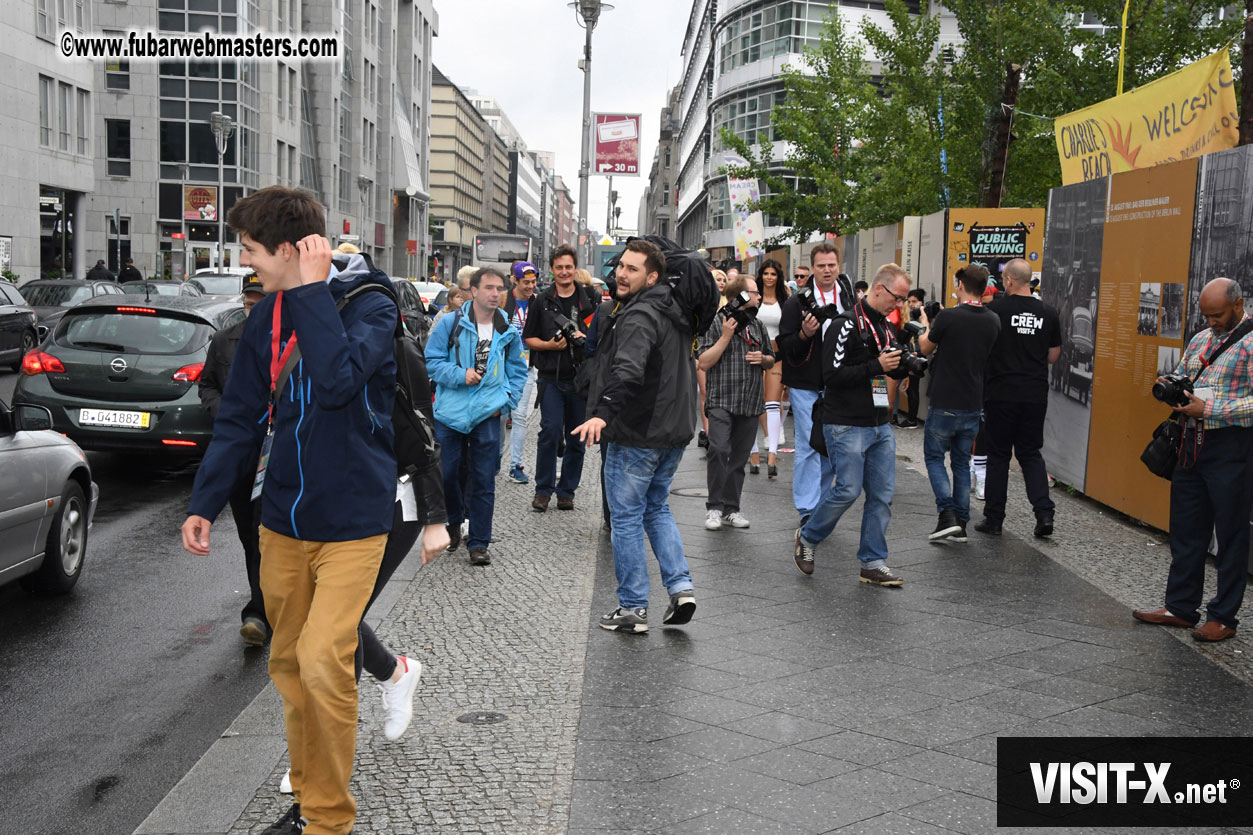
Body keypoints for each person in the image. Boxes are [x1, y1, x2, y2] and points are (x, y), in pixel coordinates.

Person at [181, 185, 399, 835]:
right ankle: (306, 799)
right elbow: (239, 418)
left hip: (352, 521)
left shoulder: (371, 305)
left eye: (251, 250)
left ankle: (328, 820)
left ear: (288, 250)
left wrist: (309, 292)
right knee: (288, 663)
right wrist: (205, 501)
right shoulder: (263, 320)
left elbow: (336, 382)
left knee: (324, 661)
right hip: (280, 520)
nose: (245, 262)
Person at [573, 239, 697, 634]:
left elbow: (628, 370)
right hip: (673, 429)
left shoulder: (640, 314)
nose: (622, 274)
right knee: (656, 508)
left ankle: (633, 607)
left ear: (653, 276)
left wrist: (602, 414)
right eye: (621, 266)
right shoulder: (675, 309)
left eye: (633, 269)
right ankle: (681, 588)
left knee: (625, 518)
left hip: (639, 431)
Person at [1134, 277, 1253, 643]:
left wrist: (1211, 409)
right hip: (1190, 442)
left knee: (1231, 534)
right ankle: (1181, 607)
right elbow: (1186, 372)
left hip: (1231, 447)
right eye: (1206, 316)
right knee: (1186, 529)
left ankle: (1223, 617)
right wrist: (1172, 383)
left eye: (1217, 315)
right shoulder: (1201, 339)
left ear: (1238, 305)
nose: (1211, 322)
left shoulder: (1250, 342)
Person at [793, 264, 912, 586]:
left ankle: (872, 562)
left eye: (903, 299)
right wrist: (877, 365)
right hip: (845, 422)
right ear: (879, 289)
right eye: (897, 297)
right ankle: (808, 536)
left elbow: (884, 369)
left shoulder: (886, 326)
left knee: (882, 495)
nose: (899, 304)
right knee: (847, 490)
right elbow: (831, 376)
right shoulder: (844, 324)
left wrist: (903, 368)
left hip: (879, 422)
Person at [425, 267, 528, 565]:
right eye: (489, 288)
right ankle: (453, 521)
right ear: (473, 291)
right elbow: (431, 362)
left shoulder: (506, 328)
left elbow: (517, 370)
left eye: (500, 288)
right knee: (447, 474)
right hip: (450, 413)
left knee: (484, 479)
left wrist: (506, 402)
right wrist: (461, 375)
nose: (496, 294)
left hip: (487, 413)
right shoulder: (451, 323)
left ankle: (479, 542)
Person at [198, 273, 270, 647]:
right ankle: (262, 610)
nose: (252, 309)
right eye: (248, 303)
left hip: (277, 454)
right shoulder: (225, 340)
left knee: (268, 534)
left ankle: (261, 611)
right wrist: (224, 412)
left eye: (259, 303)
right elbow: (207, 384)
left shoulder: (289, 340)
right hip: (241, 453)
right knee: (249, 536)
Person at [976, 258, 1062, 536]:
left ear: (1009, 280)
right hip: (1034, 393)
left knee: (998, 455)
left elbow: (984, 349)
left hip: (1000, 393)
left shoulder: (995, 310)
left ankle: (994, 519)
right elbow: (1053, 355)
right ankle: (1044, 514)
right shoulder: (1048, 313)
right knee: (1030, 453)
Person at [915, 265, 1001, 542]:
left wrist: (926, 324)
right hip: (973, 401)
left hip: (945, 399)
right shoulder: (993, 320)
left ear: (961, 285)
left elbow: (925, 348)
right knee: (962, 463)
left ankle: (947, 514)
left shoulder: (948, 317)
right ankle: (961, 523)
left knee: (934, 457)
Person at [776, 241, 855, 525]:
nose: (827, 270)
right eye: (821, 266)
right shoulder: (797, 302)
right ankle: (807, 508)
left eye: (831, 265)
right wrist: (803, 334)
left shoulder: (848, 298)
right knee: (809, 445)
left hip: (839, 382)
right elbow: (785, 346)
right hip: (806, 383)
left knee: (832, 446)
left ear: (838, 266)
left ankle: (820, 504)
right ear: (812, 268)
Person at [523, 246, 598, 512]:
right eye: (559, 267)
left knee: (577, 438)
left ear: (575, 269)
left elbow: (601, 335)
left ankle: (567, 491)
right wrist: (548, 346)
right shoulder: (542, 301)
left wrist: (586, 339)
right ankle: (543, 490)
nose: (564, 272)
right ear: (552, 270)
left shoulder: (590, 299)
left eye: (568, 267)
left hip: (581, 378)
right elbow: (528, 338)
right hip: (550, 377)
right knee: (550, 432)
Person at [698, 273, 774, 529]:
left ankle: (732, 508)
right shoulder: (717, 322)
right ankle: (714, 508)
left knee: (739, 459)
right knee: (719, 450)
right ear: (741, 296)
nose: (759, 296)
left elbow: (771, 359)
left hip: (750, 401)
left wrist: (763, 359)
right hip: (722, 399)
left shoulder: (758, 324)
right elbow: (703, 362)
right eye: (754, 292)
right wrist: (725, 337)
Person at [501, 262, 539, 484]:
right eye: (526, 282)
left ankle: (516, 465)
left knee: (519, 415)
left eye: (533, 282)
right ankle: (495, 458)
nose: (531, 286)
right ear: (514, 280)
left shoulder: (537, 302)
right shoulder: (503, 299)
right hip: (501, 367)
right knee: (498, 415)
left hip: (526, 368)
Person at [754, 259, 788, 478]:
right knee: (755, 401)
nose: (769, 277)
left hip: (777, 354)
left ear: (778, 277)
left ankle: (773, 454)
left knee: (773, 402)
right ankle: (757, 450)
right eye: (766, 273)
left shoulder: (785, 300)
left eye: (773, 274)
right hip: (754, 354)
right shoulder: (754, 296)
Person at [697, 268, 729, 450]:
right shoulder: (703, 301)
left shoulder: (729, 303)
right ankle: (707, 431)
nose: (721, 282)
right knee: (704, 392)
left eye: (724, 280)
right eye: (718, 279)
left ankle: (718, 432)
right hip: (704, 349)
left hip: (723, 352)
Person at [896, 288, 926, 428]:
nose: (911, 304)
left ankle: (912, 419)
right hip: (911, 353)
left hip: (917, 355)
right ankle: (911, 417)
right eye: (909, 301)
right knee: (910, 388)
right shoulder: (909, 314)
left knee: (913, 388)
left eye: (914, 301)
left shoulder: (922, 316)